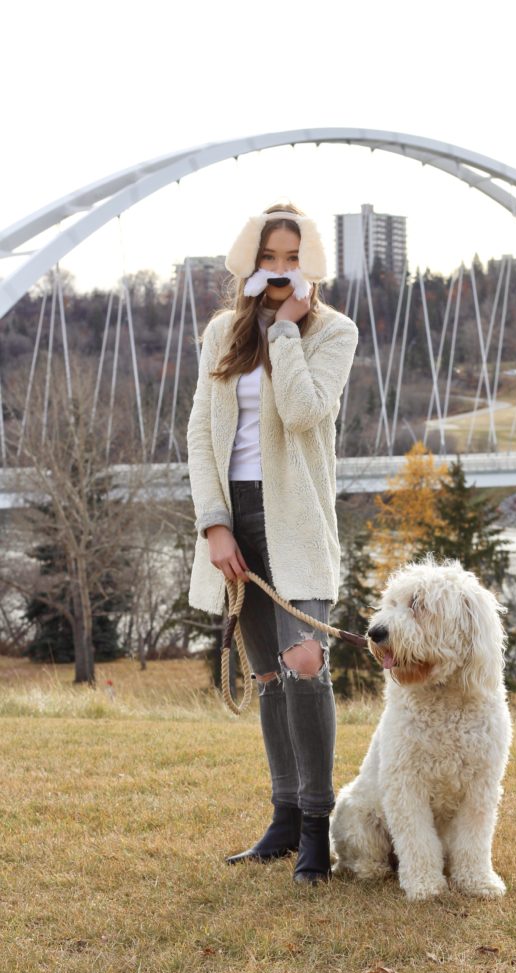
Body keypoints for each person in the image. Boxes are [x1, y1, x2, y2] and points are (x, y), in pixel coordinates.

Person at [186, 202, 358, 885]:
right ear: (250, 262)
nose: (281, 271)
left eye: (292, 259)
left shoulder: (332, 331)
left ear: (308, 264)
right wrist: (213, 523)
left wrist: (285, 333)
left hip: (296, 517)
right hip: (236, 515)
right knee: (266, 678)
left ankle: (318, 824)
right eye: (270, 258)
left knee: (305, 661)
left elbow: (305, 411)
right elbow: (200, 431)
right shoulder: (221, 332)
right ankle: (283, 818)